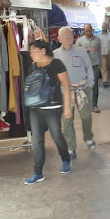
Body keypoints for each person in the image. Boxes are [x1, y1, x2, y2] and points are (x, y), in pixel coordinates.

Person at [25, 40, 73, 185]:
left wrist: (67, 107)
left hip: (52, 108)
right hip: (35, 109)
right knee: (37, 141)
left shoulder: (56, 64)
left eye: (34, 52)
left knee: (57, 136)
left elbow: (66, 85)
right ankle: (37, 172)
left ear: (43, 51)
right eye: (31, 52)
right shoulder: (32, 67)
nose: (31, 55)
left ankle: (66, 159)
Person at [54, 26, 96, 159]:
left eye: (70, 35)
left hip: (82, 89)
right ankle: (71, 148)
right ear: (59, 39)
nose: (68, 38)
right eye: (65, 36)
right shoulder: (55, 54)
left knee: (86, 116)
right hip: (64, 91)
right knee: (67, 120)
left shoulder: (81, 51)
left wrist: (90, 84)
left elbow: (89, 68)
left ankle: (88, 138)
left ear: (74, 37)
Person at [76, 23, 102, 113]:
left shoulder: (97, 40)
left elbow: (100, 52)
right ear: (84, 31)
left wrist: (100, 64)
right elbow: (76, 53)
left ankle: (94, 105)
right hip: (83, 67)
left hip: (94, 66)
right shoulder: (80, 41)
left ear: (92, 30)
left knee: (94, 86)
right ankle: (86, 105)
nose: (88, 32)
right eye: (86, 31)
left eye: (89, 30)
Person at [98, 22, 110, 88]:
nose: (104, 28)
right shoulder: (98, 35)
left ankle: (107, 79)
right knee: (103, 67)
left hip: (109, 53)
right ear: (101, 28)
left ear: (107, 27)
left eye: (105, 27)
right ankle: (105, 81)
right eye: (103, 27)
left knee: (109, 67)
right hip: (101, 54)